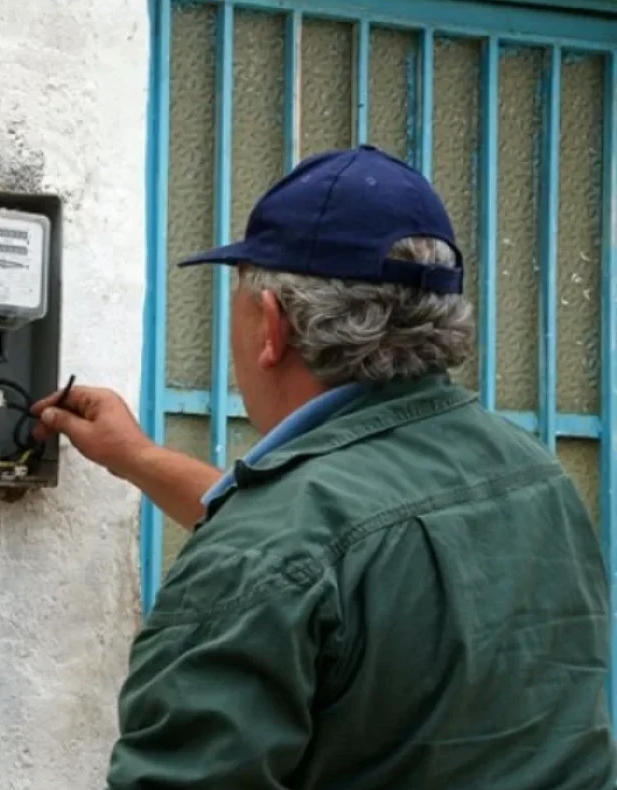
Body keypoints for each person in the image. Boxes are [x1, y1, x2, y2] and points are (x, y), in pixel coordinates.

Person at [32, 145, 617, 789]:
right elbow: (333, 546)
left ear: (271, 328)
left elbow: (298, 553)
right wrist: (137, 458)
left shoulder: (269, 549)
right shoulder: (532, 475)